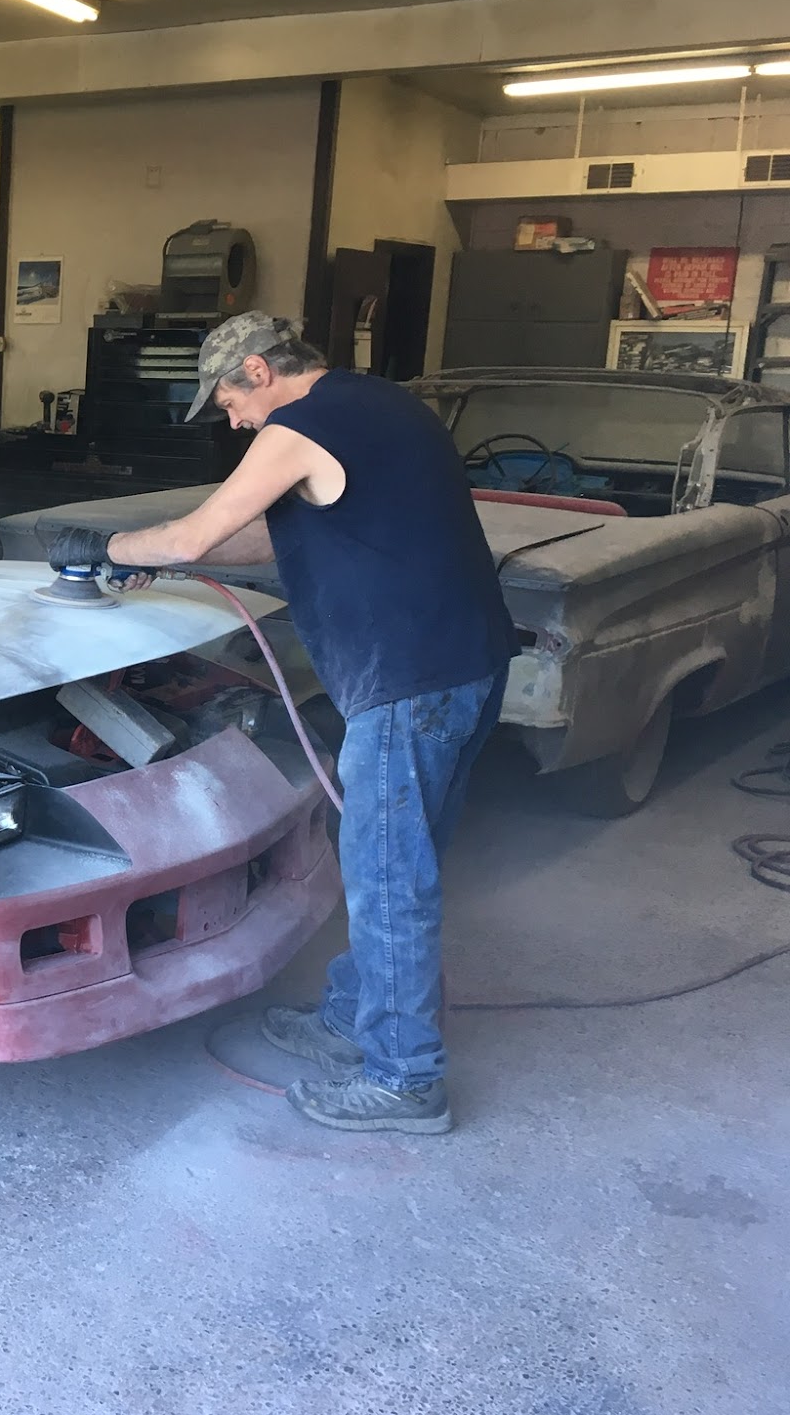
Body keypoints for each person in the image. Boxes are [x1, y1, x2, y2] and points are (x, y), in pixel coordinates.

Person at [42, 311, 513, 1134]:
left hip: (408, 681)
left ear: (259, 371)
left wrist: (106, 546)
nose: (233, 421)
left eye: (229, 402)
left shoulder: (301, 425)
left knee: (386, 876)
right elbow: (266, 537)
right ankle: (353, 1019)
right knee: (399, 863)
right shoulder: (373, 405)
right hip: (463, 664)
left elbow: (196, 532)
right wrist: (161, 556)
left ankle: (405, 1080)